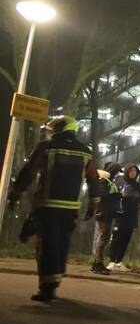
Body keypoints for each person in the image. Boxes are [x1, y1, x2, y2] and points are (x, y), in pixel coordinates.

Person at [6, 115, 100, 302]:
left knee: (44, 244)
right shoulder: (85, 152)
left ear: (59, 130)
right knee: (61, 243)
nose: (49, 134)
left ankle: (47, 287)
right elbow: (93, 180)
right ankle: (54, 281)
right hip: (70, 207)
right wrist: (93, 204)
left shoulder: (46, 147)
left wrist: (15, 194)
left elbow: (29, 171)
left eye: (51, 130)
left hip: (47, 205)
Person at [107, 164, 140, 272]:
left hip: (132, 216)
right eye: (131, 171)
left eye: (135, 171)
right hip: (120, 215)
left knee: (126, 239)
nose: (133, 173)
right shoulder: (120, 182)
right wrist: (121, 195)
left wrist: (139, 196)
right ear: (126, 172)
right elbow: (112, 195)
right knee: (116, 238)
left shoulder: (138, 186)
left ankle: (119, 261)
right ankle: (112, 261)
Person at [90, 162, 123, 275]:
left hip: (107, 213)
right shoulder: (104, 181)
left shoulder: (109, 181)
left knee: (104, 237)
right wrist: (118, 195)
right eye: (117, 171)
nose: (118, 174)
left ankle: (97, 263)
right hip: (104, 213)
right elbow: (103, 196)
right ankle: (98, 263)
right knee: (103, 237)